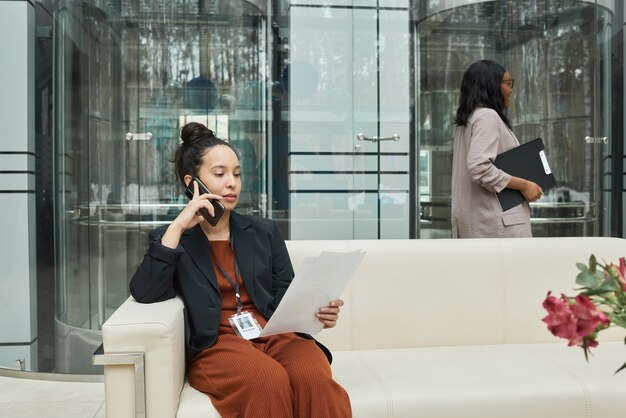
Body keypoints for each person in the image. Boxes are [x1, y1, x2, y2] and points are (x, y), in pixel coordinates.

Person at [129, 122, 352, 417]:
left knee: (315, 379)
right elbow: (145, 293)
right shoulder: (171, 238)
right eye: (219, 174)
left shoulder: (263, 231)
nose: (232, 183)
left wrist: (317, 311)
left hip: (276, 335)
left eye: (236, 174)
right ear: (192, 182)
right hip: (216, 343)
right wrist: (179, 226)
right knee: (266, 381)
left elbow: (286, 293)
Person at [451, 59, 543, 238]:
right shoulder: (487, 116)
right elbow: (479, 167)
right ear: (491, 86)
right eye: (508, 83)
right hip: (496, 226)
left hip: (480, 221)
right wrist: (524, 185)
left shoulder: (469, 119)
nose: (511, 90)